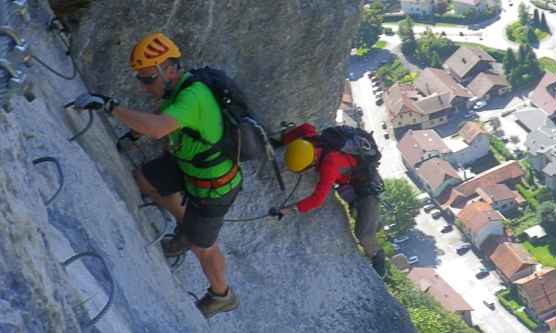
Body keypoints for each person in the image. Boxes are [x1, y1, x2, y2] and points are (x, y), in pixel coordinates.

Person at [69, 32, 241, 318]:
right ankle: (186, 229)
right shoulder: (181, 88)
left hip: (214, 187)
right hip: (191, 168)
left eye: (148, 78)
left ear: (169, 69)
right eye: (141, 78)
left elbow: (160, 126)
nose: (144, 85)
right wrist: (133, 136)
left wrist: (110, 106)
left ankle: (222, 295)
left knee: (205, 248)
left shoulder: (193, 96)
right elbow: (164, 113)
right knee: (145, 179)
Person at [271, 123, 386, 277]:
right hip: (352, 178)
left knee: (363, 233)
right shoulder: (309, 140)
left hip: (365, 188)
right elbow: (306, 127)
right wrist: (283, 140)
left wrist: (290, 209)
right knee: (361, 216)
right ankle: (373, 221)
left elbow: (317, 199)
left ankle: (377, 257)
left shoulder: (330, 165)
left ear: (310, 163)